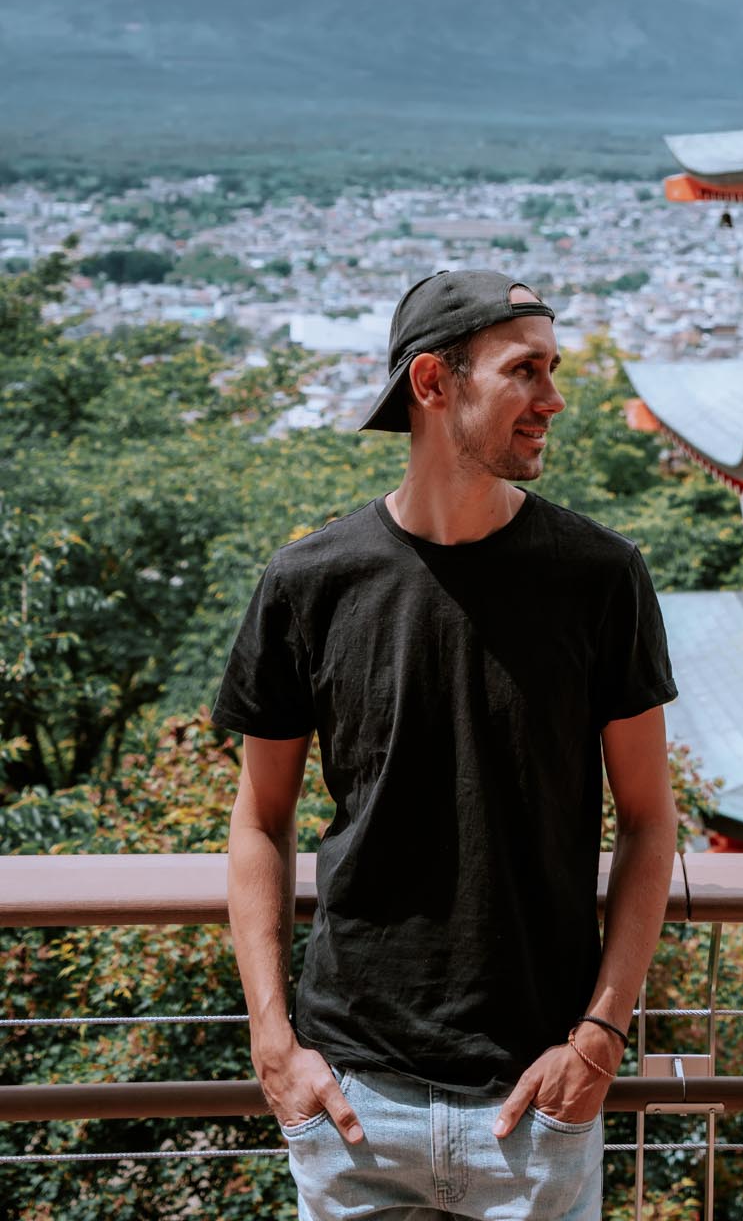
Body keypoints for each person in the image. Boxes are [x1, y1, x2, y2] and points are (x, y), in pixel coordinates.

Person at [212, 268, 679, 1220]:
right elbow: (260, 820)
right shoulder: (310, 582)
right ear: (432, 383)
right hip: (349, 1098)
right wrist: (271, 1042)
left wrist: (599, 1037)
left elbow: (646, 818)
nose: (553, 399)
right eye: (525, 371)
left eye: (553, 369)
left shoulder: (599, 577)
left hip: (538, 1096)